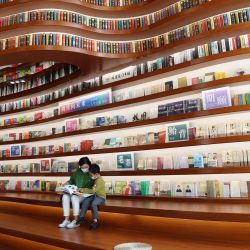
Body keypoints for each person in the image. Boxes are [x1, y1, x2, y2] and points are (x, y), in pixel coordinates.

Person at [58, 157, 94, 229]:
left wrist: (82, 190)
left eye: (86, 167)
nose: (85, 169)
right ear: (80, 166)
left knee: (74, 197)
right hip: (75, 192)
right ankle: (66, 219)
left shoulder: (92, 172)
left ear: (89, 165)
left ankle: (76, 221)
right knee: (65, 197)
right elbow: (71, 181)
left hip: (85, 194)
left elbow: (94, 187)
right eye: (82, 167)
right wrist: (64, 185)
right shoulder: (76, 172)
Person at [75, 164, 106, 230]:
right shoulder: (96, 179)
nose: (90, 176)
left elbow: (93, 191)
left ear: (97, 174)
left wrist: (83, 190)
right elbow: (92, 191)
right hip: (95, 195)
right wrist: (82, 189)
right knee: (86, 201)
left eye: (91, 175)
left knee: (93, 203)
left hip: (100, 197)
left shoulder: (100, 181)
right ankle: (81, 217)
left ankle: (95, 220)